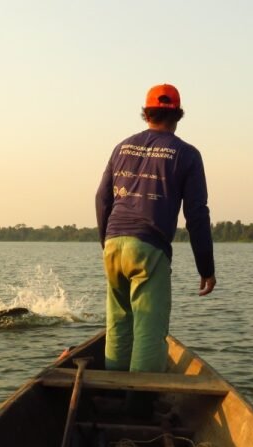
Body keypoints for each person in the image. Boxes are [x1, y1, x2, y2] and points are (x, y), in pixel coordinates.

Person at [95, 84, 216, 376]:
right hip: (148, 249)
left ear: (147, 113)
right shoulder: (186, 154)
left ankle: (112, 392)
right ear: (177, 115)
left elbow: (102, 199)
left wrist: (108, 243)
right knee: (149, 331)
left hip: (113, 245)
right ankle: (138, 405)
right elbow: (196, 214)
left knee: (118, 326)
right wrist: (206, 268)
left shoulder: (121, 147)